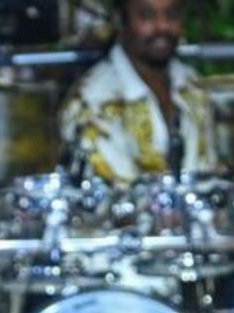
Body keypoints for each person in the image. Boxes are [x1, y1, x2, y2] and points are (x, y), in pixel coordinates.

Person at [59, 0, 215, 183]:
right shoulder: (92, 101)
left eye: (171, 15)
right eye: (147, 15)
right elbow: (117, 196)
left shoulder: (193, 85)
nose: (162, 26)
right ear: (121, 21)